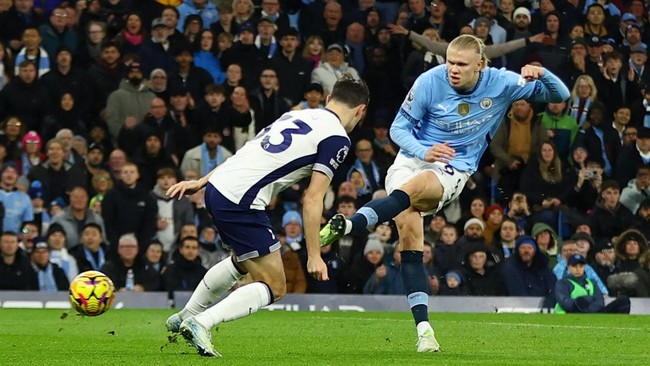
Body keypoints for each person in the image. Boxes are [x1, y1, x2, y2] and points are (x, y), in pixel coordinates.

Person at [319, 34, 569, 352]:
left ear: (479, 65)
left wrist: (541, 73)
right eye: (450, 61)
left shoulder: (503, 83)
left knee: (416, 187)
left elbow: (559, 94)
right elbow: (398, 129)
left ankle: (352, 223)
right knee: (410, 236)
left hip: (454, 166)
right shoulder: (430, 81)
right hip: (413, 156)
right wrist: (424, 150)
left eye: (461, 64)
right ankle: (425, 331)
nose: (452, 68)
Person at [164, 76, 369, 357]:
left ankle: (184, 316)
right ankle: (200, 322)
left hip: (219, 187)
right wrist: (314, 255)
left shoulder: (297, 115)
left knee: (241, 262)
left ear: (329, 98)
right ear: (361, 111)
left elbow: (249, 152)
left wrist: (202, 181)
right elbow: (311, 198)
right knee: (275, 285)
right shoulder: (336, 138)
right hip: (241, 200)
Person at [554, 253, 630, 314]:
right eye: (574, 266)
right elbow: (566, 303)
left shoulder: (591, 282)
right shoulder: (563, 283)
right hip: (573, 316)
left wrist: (586, 307)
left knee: (623, 301)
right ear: (568, 268)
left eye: (581, 266)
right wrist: (589, 299)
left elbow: (600, 303)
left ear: (584, 267)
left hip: (592, 315)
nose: (578, 269)